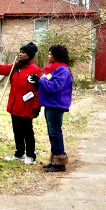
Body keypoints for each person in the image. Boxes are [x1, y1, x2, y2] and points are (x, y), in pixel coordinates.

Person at [0, 42, 41, 165]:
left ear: (29, 55)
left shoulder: (35, 70)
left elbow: (38, 90)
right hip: (14, 106)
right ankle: (19, 153)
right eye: (20, 51)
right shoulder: (16, 66)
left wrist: (36, 107)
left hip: (26, 107)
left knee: (27, 132)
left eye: (23, 52)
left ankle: (31, 156)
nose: (20, 54)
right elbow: (2, 69)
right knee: (17, 131)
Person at [28, 45, 73, 173]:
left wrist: (40, 81)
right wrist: (36, 81)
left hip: (56, 105)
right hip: (49, 104)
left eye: (50, 54)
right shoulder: (51, 69)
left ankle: (60, 162)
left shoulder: (63, 70)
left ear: (56, 56)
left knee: (55, 133)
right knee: (52, 133)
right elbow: (45, 84)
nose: (48, 56)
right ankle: (55, 159)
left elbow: (55, 87)